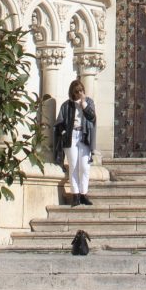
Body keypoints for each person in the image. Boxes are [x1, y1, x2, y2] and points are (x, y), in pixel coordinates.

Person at [52, 77, 96, 207]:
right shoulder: (66, 105)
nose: (80, 93)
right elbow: (59, 122)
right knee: (74, 166)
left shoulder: (89, 102)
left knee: (85, 166)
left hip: (84, 136)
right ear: (72, 92)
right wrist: (65, 133)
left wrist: (84, 104)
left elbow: (92, 117)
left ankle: (84, 194)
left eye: (81, 90)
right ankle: (75, 195)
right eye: (77, 91)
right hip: (71, 137)